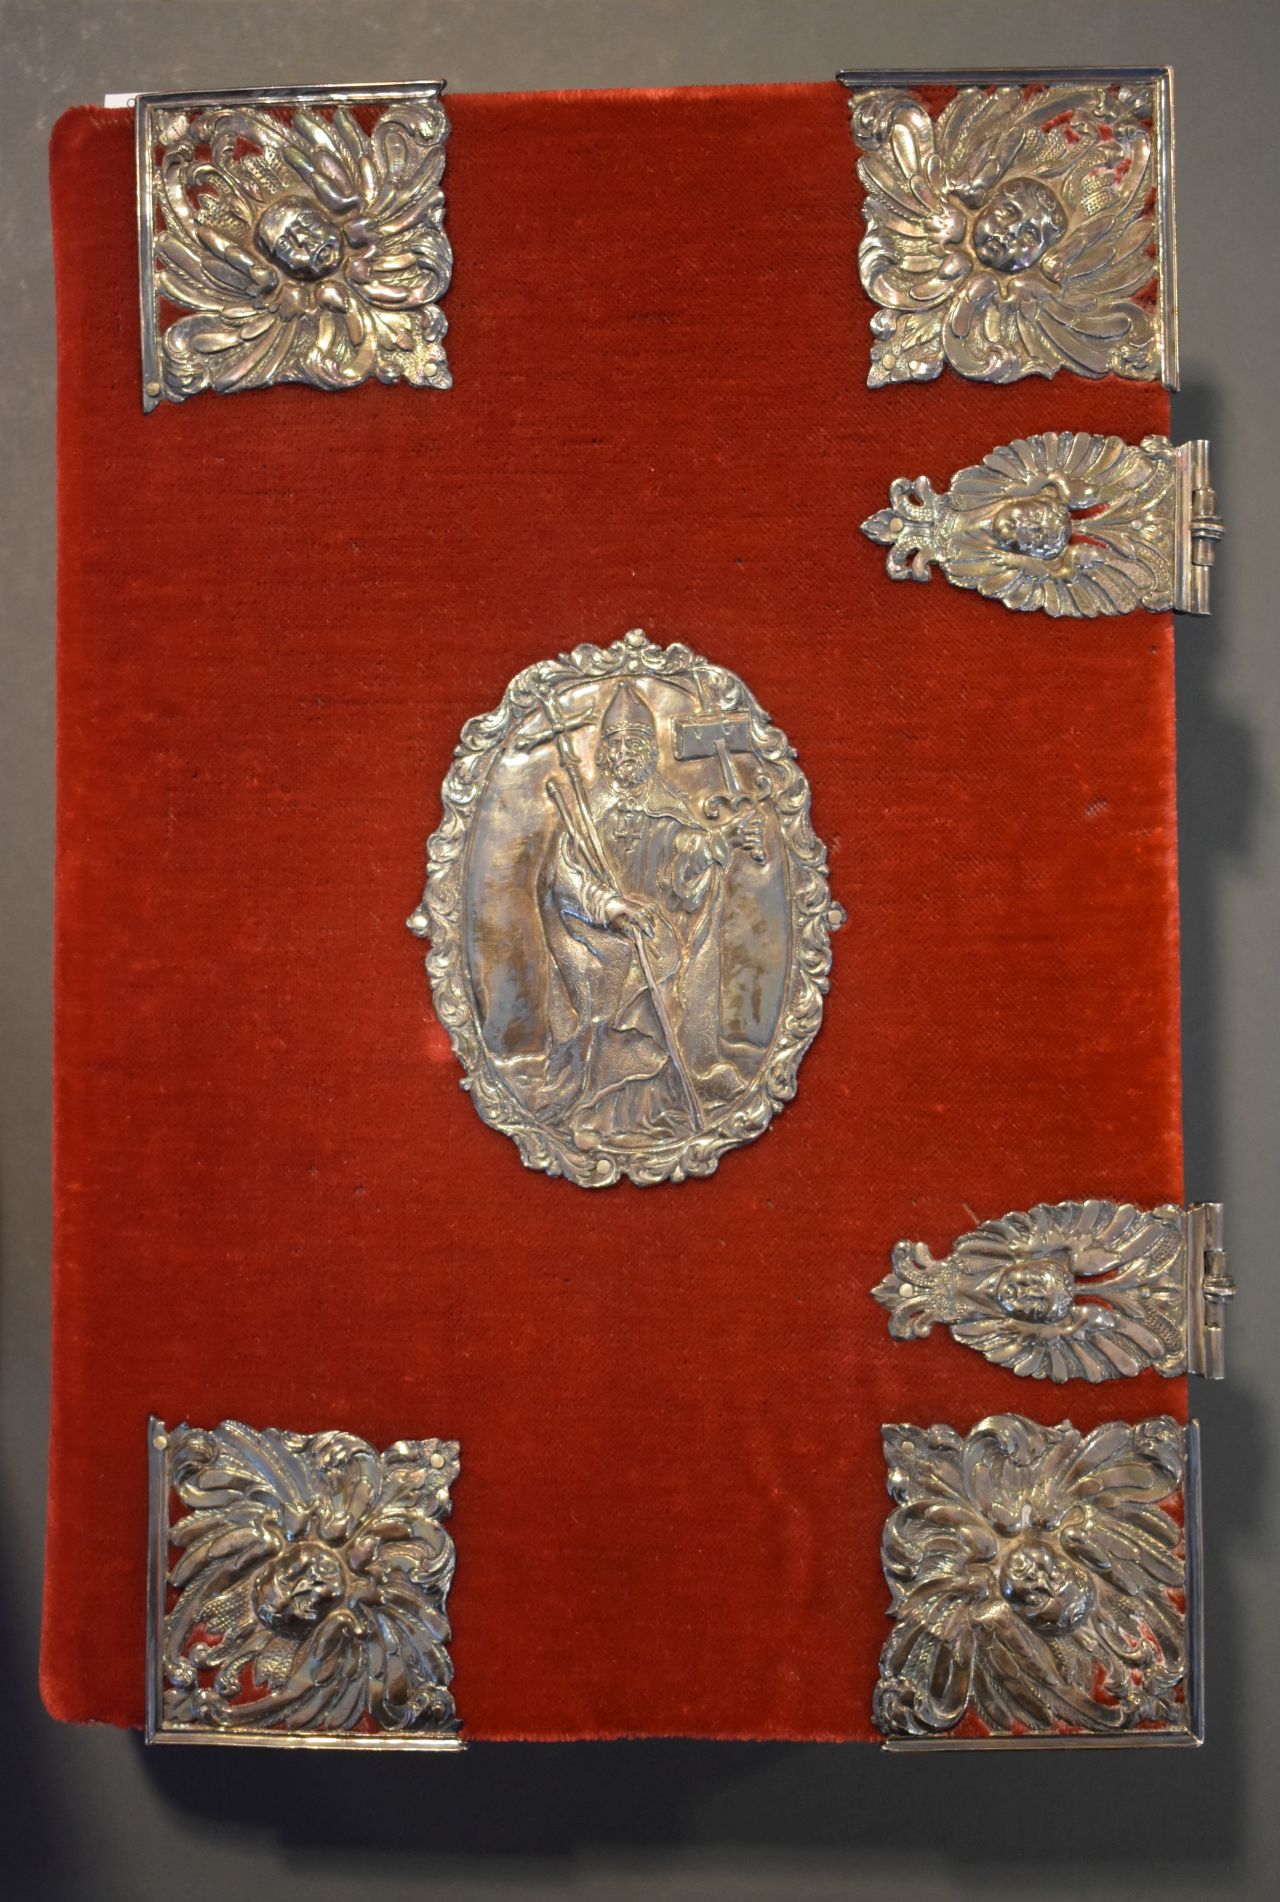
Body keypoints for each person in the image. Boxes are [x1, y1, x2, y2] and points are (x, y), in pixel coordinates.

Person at [532, 682, 761, 1148]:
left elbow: (684, 857)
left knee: (659, 967)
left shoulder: (668, 808)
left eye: (636, 745)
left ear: (651, 753)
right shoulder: (583, 814)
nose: (625, 756)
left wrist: (718, 842)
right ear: (603, 753)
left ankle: (657, 1099)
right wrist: (608, 905)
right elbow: (562, 878)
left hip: (653, 933)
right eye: (616, 746)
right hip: (591, 940)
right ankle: (592, 1102)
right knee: (615, 978)